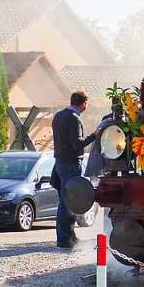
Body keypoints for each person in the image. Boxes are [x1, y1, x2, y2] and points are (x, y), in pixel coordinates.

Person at [51, 90, 99, 249]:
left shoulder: (58, 116)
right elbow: (77, 143)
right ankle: (65, 239)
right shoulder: (74, 119)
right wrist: (94, 135)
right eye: (87, 103)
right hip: (71, 163)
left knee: (65, 200)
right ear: (83, 103)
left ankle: (68, 236)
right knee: (69, 201)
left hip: (59, 162)